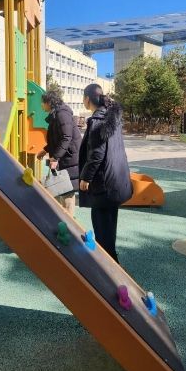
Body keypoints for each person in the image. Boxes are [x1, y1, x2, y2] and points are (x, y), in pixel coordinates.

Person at [79, 84, 132, 263]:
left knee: (102, 227)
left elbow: (97, 153)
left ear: (87, 99)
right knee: (109, 225)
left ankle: (109, 266)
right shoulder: (111, 117)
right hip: (114, 180)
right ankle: (111, 261)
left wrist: (86, 177)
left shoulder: (98, 121)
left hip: (103, 184)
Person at [37, 91, 81, 217]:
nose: (42, 105)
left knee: (67, 190)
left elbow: (66, 137)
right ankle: (67, 218)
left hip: (69, 157)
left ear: (49, 102)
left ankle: (69, 221)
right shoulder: (57, 114)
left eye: (43, 103)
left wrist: (55, 157)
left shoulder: (62, 114)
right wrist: (46, 150)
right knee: (64, 189)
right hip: (65, 155)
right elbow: (57, 138)